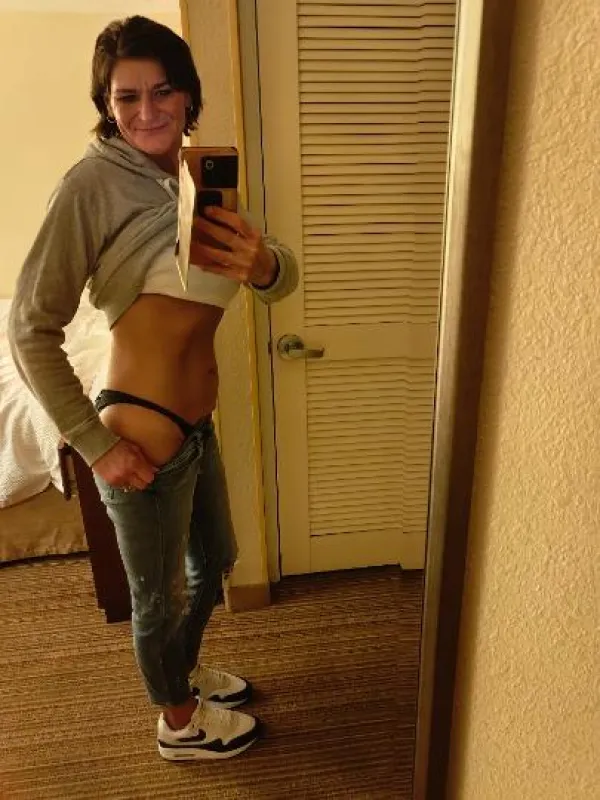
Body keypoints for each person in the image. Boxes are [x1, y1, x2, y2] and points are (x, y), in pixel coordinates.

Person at [8, 16, 298, 762]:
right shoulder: (91, 186)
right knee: (158, 596)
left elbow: (272, 279)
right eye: (126, 96)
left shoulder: (197, 176)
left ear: (188, 95)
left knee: (215, 561)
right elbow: (28, 326)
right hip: (139, 430)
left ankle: (182, 673)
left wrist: (267, 265)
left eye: (162, 91)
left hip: (196, 424)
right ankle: (179, 723)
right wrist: (94, 446)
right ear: (105, 105)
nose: (147, 111)